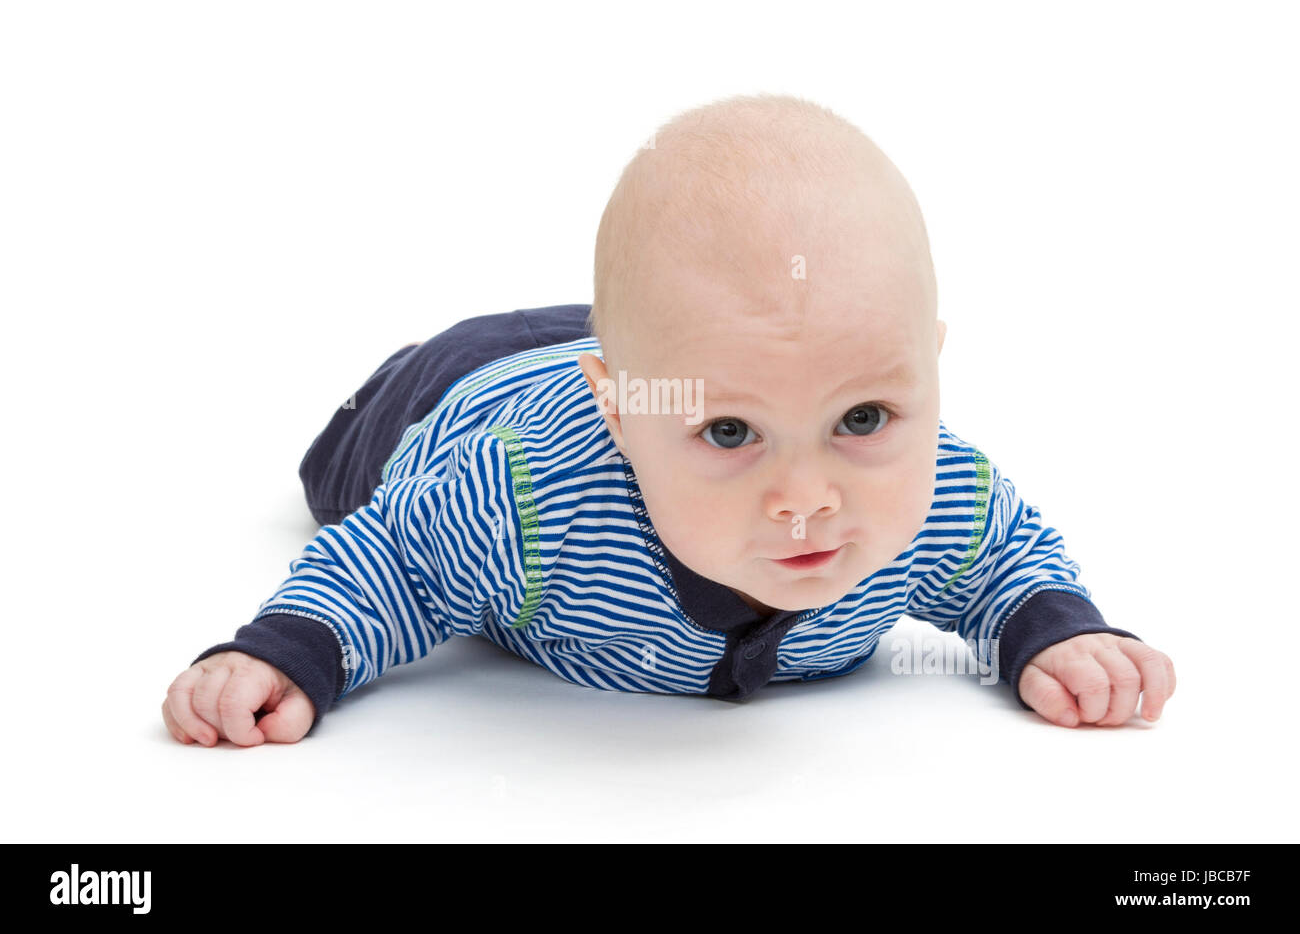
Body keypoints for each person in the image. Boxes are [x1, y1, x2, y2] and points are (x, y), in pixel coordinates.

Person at [162, 93, 1175, 746]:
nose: (808, 501)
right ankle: (564, 367)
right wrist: (286, 651)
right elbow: (387, 559)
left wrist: (1057, 635)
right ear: (619, 416)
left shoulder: (936, 491)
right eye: (731, 435)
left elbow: (1010, 562)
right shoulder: (517, 499)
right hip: (459, 389)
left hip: (660, 360)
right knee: (342, 466)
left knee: (706, 347)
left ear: (930, 372)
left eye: (862, 415)